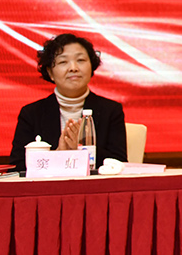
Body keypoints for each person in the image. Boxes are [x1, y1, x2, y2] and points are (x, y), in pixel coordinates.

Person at [10, 33, 128, 172]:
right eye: (63, 62)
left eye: (80, 60)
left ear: (92, 67)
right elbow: (16, 167)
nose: (73, 68)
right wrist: (58, 154)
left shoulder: (111, 111)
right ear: (50, 72)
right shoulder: (31, 114)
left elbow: (119, 163)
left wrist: (80, 149)